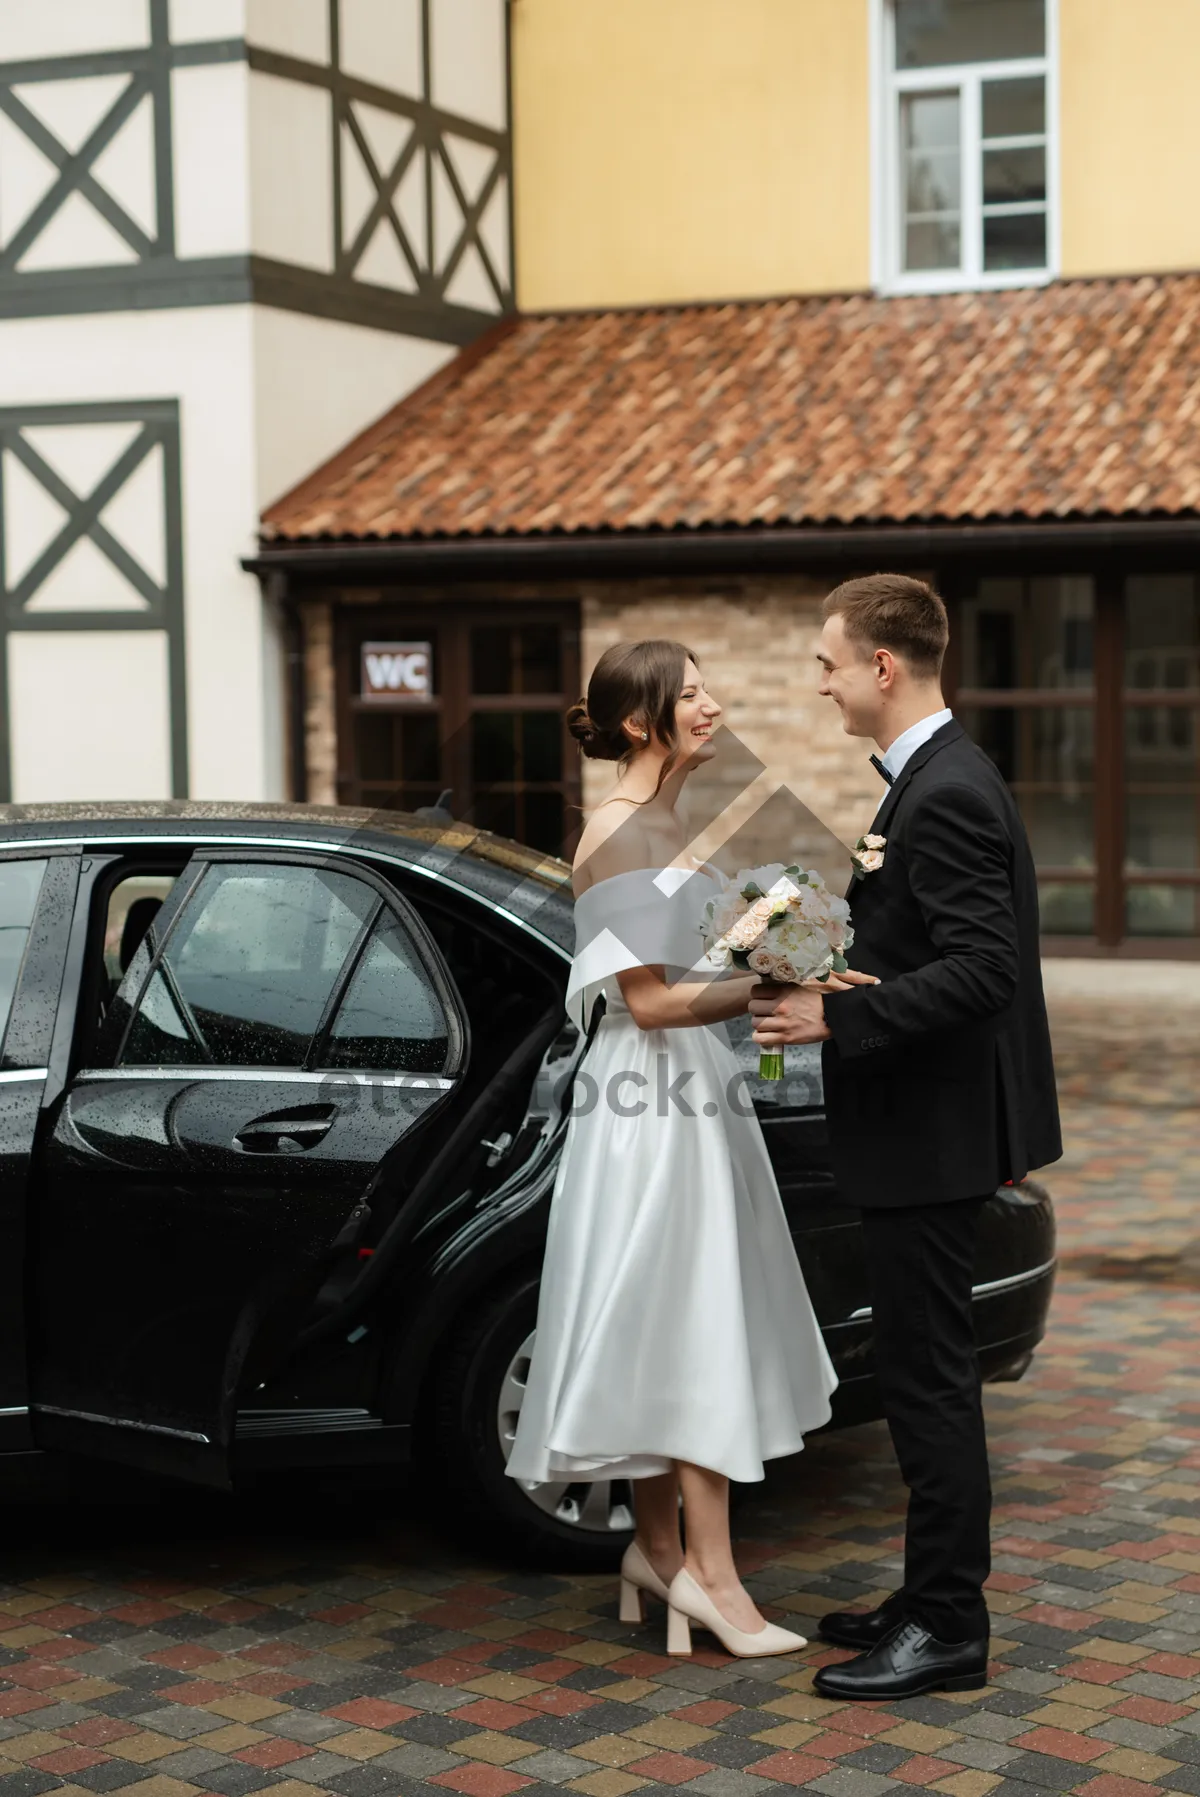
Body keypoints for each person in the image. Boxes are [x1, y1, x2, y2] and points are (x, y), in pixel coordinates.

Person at [751, 574, 1061, 1701]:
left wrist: (835, 1012)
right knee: (920, 1373)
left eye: (829, 663)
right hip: (923, 1129)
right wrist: (851, 972)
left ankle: (946, 1626)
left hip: (927, 1140)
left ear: (883, 667)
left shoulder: (947, 793)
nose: (821, 683)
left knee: (931, 1384)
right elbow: (948, 952)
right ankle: (923, 1592)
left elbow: (989, 974)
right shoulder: (930, 780)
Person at [507, 639, 846, 1659]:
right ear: (644, 721)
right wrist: (778, 984)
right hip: (651, 1106)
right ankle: (713, 1579)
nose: (712, 704)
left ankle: (657, 1554)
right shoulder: (618, 831)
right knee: (694, 1318)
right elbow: (649, 1003)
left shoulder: (664, 818)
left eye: (709, 685)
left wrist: (766, 943)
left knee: (671, 1319)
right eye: (692, 694)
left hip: (691, 1092)